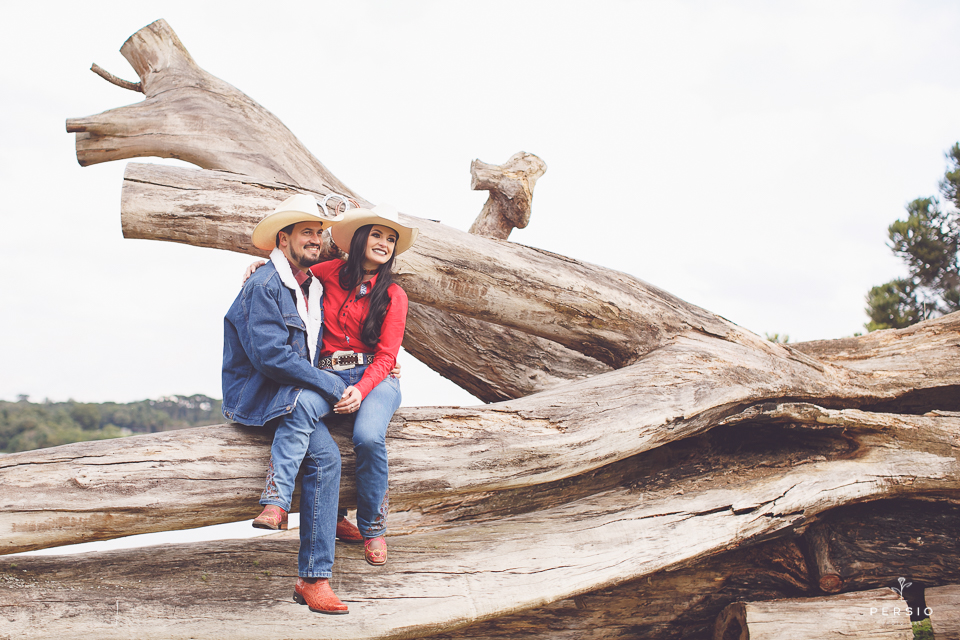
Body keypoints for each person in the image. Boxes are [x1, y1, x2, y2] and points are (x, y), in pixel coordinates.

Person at [244, 202, 417, 570]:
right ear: (359, 239)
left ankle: (373, 528)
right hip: (327, 375)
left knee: (368, 437)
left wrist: (363, 388)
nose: (384, 243)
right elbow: (290, 273)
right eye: (376, 234)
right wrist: (262, 266)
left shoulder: (394, 295)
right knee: (302, 407)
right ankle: (275, 501)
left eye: (391, 239)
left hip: (376, 377)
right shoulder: (327, 272)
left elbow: (388, 356)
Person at [222, 193, 353, 614]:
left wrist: (380, 367)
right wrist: (332, 385)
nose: (316, 239)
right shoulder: (263, 285)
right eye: (306, 232)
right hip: (261, 396)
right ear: (283, 240)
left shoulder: (312, 285)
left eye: (319, 232)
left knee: (328, 459)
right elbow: (271, 358)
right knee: (324, 456)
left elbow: (331, 340)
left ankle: (311, 576)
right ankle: (281, 511)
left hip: (296, 396)